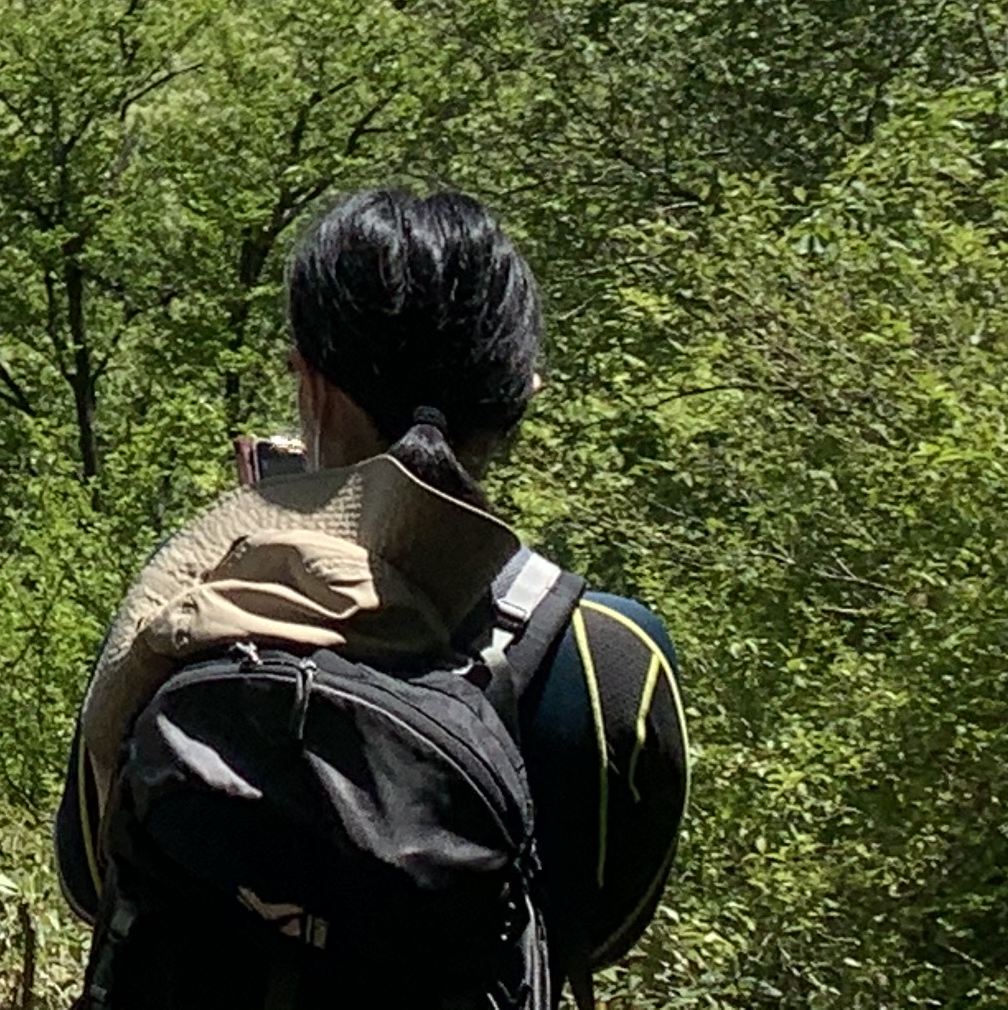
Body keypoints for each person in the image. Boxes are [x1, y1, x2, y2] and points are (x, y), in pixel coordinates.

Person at [53, 188, 688, 1006]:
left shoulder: (191, 605)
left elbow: (88, 880)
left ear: (308, 381)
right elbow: (594, 934)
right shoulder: (607, 657)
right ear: (521, 393)